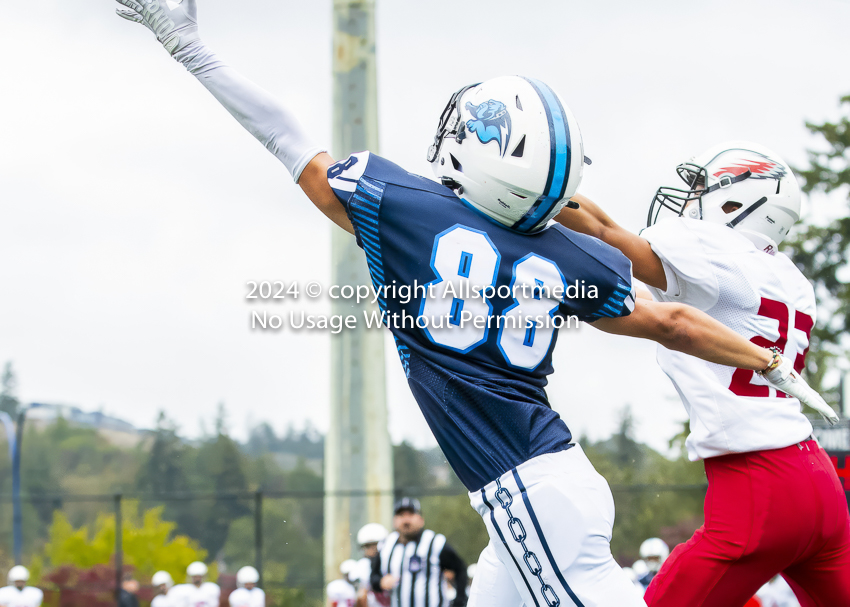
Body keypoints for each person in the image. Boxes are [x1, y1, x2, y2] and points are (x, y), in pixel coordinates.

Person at [113, 4, 830, 605]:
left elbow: (287, 140)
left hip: (524, 488)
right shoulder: (566, 255)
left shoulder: (405, 210)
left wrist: (189, 49)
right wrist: (766, 358)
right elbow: (669, 320)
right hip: (551, 484)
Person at [555, 141, 850, 606]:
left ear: (740, 202)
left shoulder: (714, 250)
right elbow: (670, 307)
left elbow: (604, 231)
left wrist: (534, 188)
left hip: (758, 487)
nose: (690, 202)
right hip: (819, 484)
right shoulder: (791, 279)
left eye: (703, 191)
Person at [372, 498, 467, 607]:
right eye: (401, 515)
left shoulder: (435, 542)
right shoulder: (386, 545)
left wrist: (459, 601)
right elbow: (373, 576)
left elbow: (460, 569)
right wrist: (380, 582)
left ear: (421, 519)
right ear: (394, 520)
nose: (406, 520)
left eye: (411, 514)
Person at [354, 523, 390, 607]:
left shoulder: (391, 562)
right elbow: (362, 596)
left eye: (374, 545)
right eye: (367, 546)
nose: (371, 550)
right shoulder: (364, 566)